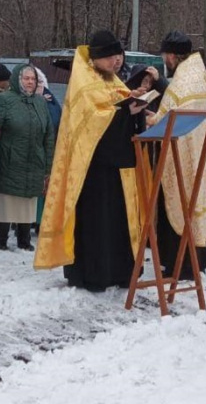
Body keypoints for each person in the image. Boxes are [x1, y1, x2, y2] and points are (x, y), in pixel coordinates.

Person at [35, 30, 147, 292]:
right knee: (97, 221)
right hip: (92, 169)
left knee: (118, 220)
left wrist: (135, 108)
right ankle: (94, 274)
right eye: (109, 57)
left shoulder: (111, 80)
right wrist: (123, 111)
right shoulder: (84, 82)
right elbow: (91, 122)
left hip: (117, 165)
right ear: (96, 58)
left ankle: (121, 270)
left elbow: (115, 109)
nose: (116, 61)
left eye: (118, 55)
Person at [146, 31, 206, 280]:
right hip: (199, 151)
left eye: (165, 56)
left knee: (178, 202)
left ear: (173, 56)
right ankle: (198, 261)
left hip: (181, 154)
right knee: (194, 199)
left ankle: (179, 264)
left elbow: (165, 118)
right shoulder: (198, 75)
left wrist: (149, 118)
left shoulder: (181, 82)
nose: (165, 60)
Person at [0, 65, 54, 251]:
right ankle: (1, 239)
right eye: (26, 78)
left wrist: (48, 165)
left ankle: (24, 239)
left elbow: (48, 135)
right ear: (17, 79)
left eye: (33, 79)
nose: (30, 82)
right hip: (9, 160)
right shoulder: (2, 100)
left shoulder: (40, 103)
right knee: (6, 200)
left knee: (27, 200)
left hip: (34, 160)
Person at [32, 69, 62, 231]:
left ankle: (41, 221)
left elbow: (57, 120)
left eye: (42, 83)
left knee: (45, 187)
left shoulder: (50, 100)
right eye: (37, 83)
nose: (40, 86)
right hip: (34, 149)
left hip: (49, 149)